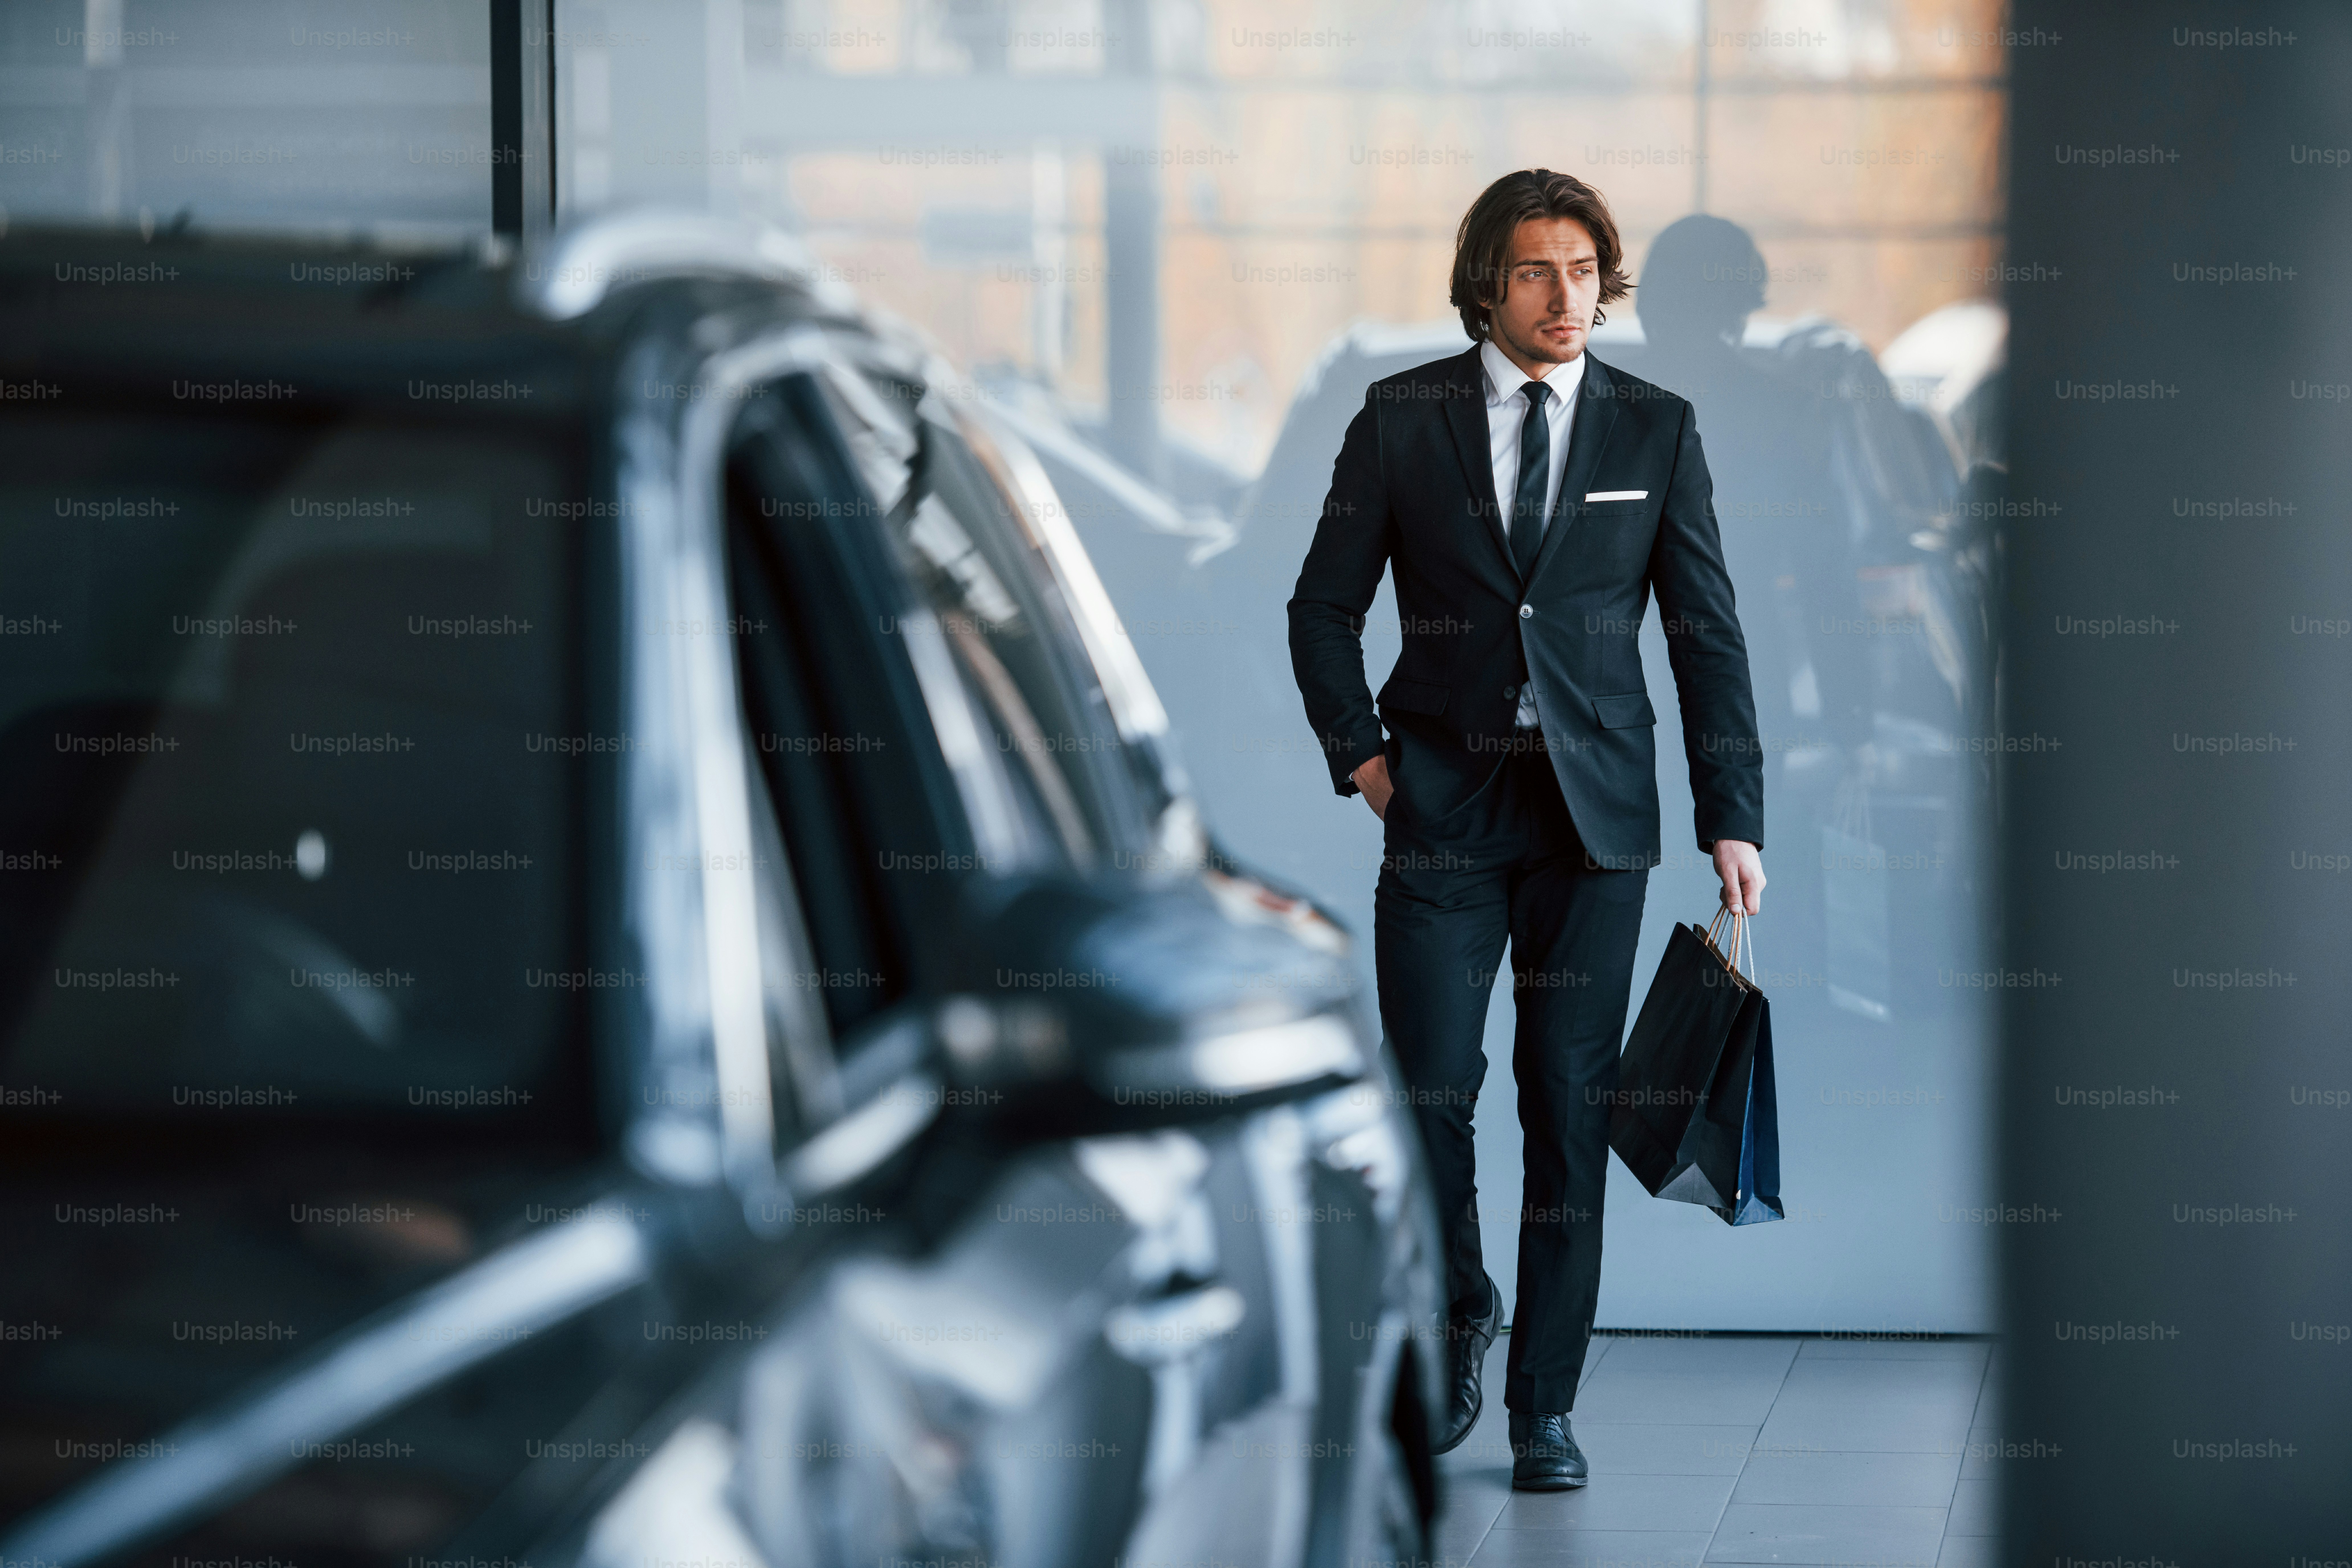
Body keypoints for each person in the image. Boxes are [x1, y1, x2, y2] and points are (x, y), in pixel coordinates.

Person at [1287, 170, 1765, 1490]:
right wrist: (1370, 767)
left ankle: (1544, 1402)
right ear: (1485, 285)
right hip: (1442, 812)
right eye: (1538, 272)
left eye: (1586, 271)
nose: (1570, 298)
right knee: (1433, 1087)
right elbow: (1319, 608)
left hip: (1592, 824)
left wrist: (1736, 815)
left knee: (1568, 1105)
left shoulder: (1654, 429)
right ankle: (1455, 1315)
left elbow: (1704, 633)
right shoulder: (1401, 421)